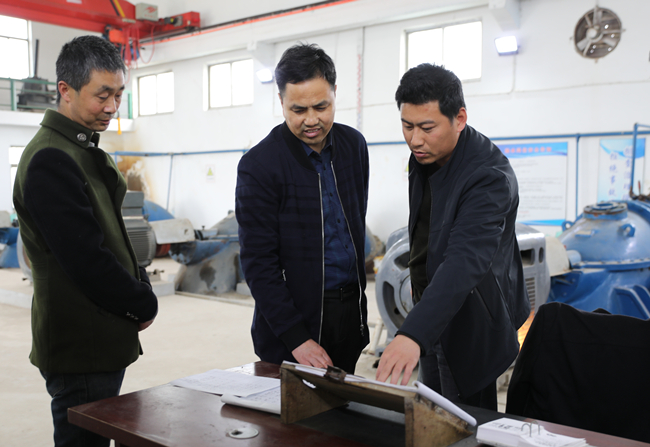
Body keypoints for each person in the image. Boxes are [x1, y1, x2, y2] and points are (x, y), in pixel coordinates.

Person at [13, 36, 158, 447]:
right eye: (102, 95)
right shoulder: (51, 158)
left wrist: (140, 279)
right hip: (81, 343)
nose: (112, 107)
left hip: (99, 336)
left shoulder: (79, 150)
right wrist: (141, 302)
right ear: (66, 90)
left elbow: (111, 235)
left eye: (119, 94)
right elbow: (85, 259)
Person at [376, 63, 530, 410]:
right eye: (407, 126)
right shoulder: (425, 157)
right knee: (432, 411)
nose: (415, 139)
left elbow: (465, 259)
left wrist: (412, 333)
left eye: (427, 127)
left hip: (473, 317)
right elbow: (426, 230)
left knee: (465, 419)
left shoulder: (489, 177)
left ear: (459, 118)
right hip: (430, 308)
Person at [235, 43, 369, 373]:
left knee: (344, 402)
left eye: (321, 106)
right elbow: (258, 263)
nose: (311, 120)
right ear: (281, 101)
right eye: (298, 110)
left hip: (349, 313)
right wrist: (296, 337)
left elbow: (355, 224)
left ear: (335, 93)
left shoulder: (354, 147)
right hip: (292, 323)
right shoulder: (260, 166)